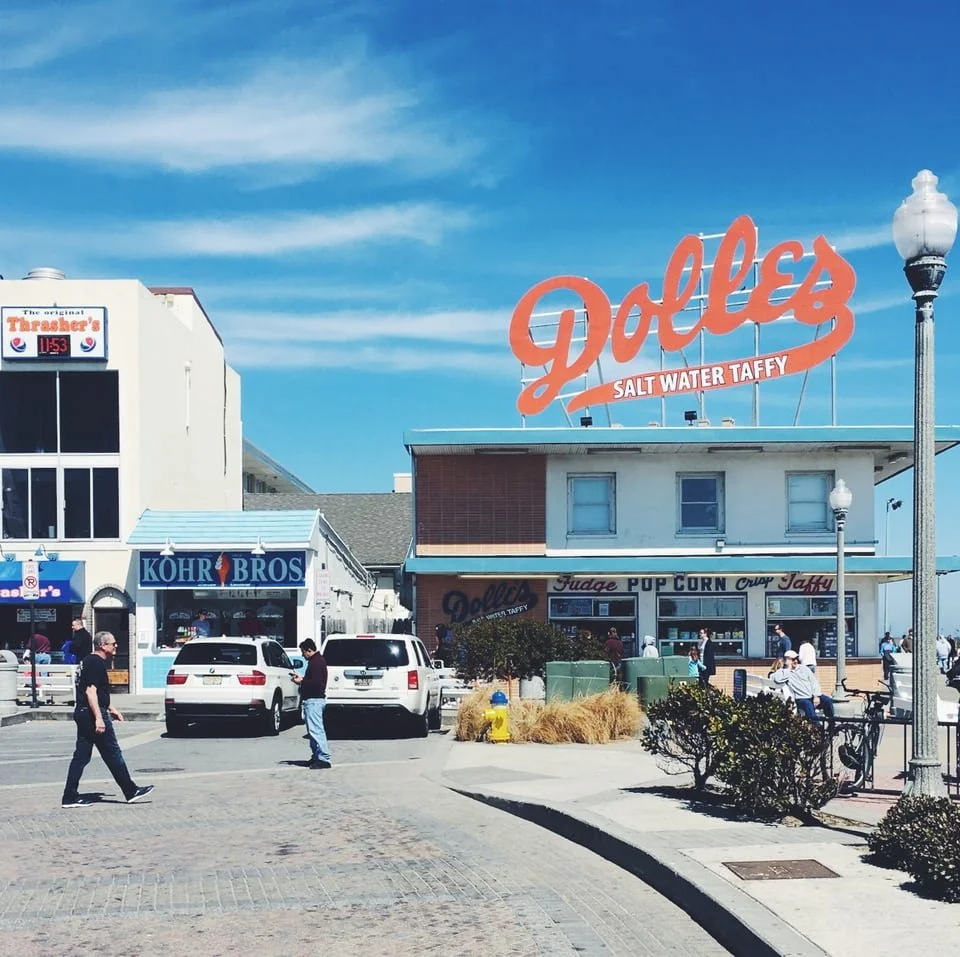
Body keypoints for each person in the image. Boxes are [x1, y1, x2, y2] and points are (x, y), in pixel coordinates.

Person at [61, 631, 154, 808]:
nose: (116, 646)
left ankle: (69, 796)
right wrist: (99, 718)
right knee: (112, 753)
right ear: (103, 645)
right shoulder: (96, 663)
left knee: (81, 756)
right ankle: (130, 790)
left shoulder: (88, 661)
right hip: (90, 714)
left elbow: (95, 692)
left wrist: (112, 708)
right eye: (113, 643)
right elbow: (90, 691)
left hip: (83, 711)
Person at [292, 638, 331, 770]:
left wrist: (301, 682)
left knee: (316, 730)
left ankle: (323, 758)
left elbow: (316, 683)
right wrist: (303, 679)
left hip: (314, 700)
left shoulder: (316, 663)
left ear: (309, 650)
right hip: (313, 700)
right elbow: (314, 680)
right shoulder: (317, 661)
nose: (303, 655)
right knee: (313, 730)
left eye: (303, 652)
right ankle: (316, 756)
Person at [770, 650, 834, 726]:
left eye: (797, 658)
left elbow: (814, 682)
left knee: (827, 701)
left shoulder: (804, 669)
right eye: (793, 659)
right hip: (801, 699)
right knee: (808, 704)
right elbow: (775, 678)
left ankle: (831, 725)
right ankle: (817, 728)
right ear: (787, 660)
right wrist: (789, 668)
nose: (796, 661)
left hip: (812, 696)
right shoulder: (784, 672)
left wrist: (816, 696)